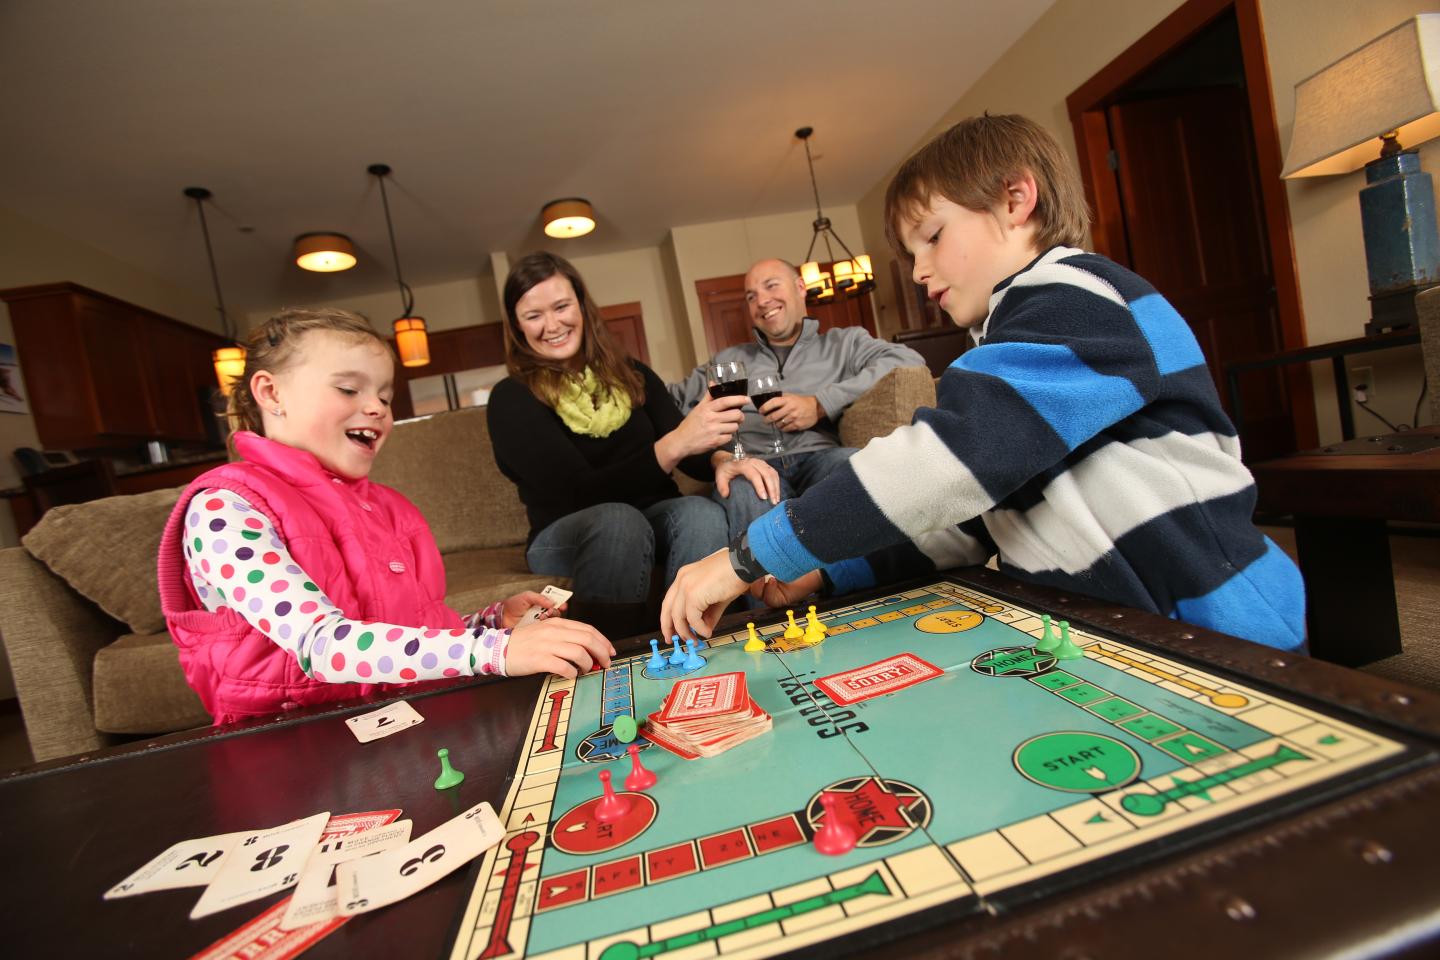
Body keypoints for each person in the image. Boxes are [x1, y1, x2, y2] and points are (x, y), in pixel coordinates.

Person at [660, 114, 1305, 653]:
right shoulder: (1002, 345)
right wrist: (828, 574)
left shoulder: (1076, 294)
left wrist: (748, 556)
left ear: (1015, 201)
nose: (917, 270)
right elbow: (969, 520)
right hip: (1099, 626)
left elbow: (949, 465)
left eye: (933, 237)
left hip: (1211, 627)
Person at [157, 308, 614, 725]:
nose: (376, 407)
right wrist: (494, 650)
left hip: (403, 716)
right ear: (270, 392)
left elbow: (409, 633)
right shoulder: (224, 508)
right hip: (296, 740)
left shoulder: (388, 508)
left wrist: (491, 623)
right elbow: (322, 645)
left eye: (385, 395)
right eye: (349, 388)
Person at [487, 252, 744, 638]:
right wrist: (670, 447)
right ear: (517, 326)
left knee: (699, 511)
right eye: (534, 315)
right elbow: (577, 491)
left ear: (582, 307)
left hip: (650, 515)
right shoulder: (512, 397)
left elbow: (689, 450)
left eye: (561, 307)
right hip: (563, 529)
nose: (552, 324)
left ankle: (695, 642)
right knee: (619, 520)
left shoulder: (632, 373)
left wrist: (721, 458)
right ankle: (604, 661)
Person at [669, 259, 926, 539]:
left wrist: (819, 404)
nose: (762, 301)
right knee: (744, 485)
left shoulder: (844, 343)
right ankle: (768, 583)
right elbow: (670, 400)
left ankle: (857, 578)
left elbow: (907, 359)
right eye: (751, 296)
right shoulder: (728, 360)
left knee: (853, 465)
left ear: (800, 287)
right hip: (753, 461)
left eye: (771, 286)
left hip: (820, 456)